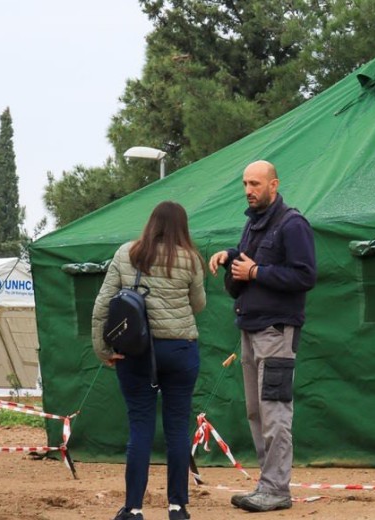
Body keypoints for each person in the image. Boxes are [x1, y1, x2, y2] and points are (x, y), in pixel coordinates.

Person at [207, 160, 317, 513]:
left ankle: (276, 489)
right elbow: (244, 277)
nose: (248, 190)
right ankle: (267, 485)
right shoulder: (252, 225)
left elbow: (304, 276)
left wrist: (255, 270)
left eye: (255, 183)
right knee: (256, 412)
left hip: (276, 331)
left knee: (274, 412)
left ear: (274, 185)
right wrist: (232, 260)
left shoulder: (292, 224)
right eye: (245, 184)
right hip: (250, 330)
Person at [92, 201, 206, 520]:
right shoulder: (192, 259)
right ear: (182, 227)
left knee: (140, 427)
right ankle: (177, 507)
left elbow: (103, 305)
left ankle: (134, 508)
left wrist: (103, 348)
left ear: (150, 223)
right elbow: (199, 304)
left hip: (137, 352)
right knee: (177, 428)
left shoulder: (127, 253)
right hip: (181, 350)